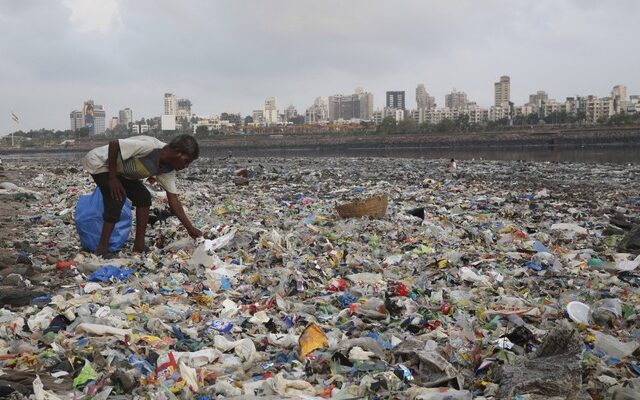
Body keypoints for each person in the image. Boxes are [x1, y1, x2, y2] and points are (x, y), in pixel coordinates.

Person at [81, 134, 203, 256]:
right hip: (100, 163)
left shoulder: (167, 169)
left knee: (143, 197)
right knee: (117, 197)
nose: (186, 166)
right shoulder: (150, 147)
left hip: (121, 172)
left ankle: (139, 246)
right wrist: (112, 177)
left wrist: (190, 229)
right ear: (177, 152)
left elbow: (173, 200)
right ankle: (102, 248)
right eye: (186, 161)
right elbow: (114, 144)